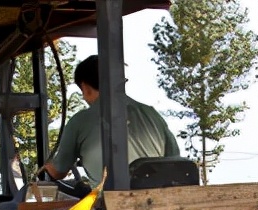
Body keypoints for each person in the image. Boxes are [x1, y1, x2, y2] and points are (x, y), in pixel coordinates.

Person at [41, 55, 180, 183]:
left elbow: (58, 171)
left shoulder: (80, 121)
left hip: (113, 205)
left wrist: (47, 167)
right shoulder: (152, 114)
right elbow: (174, 161)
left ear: (85, 87)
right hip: (159, 201)